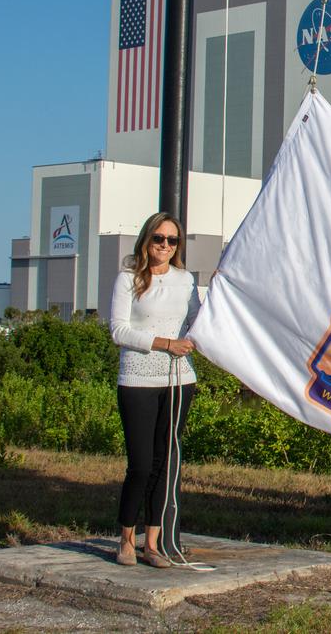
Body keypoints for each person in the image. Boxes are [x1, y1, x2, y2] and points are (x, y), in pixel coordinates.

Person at [109, 211, 201, 568]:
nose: (165, 245)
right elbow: (119, 330)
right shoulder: (128, 279)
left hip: (179, 380)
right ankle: (125, 539)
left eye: (172, 240)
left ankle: (152, 543)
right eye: (159, 238)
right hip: (137, 380)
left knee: (166, 464)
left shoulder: (185, 280)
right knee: (141, 464)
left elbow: (196, 321)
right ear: (147, 240)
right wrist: (164, 343)